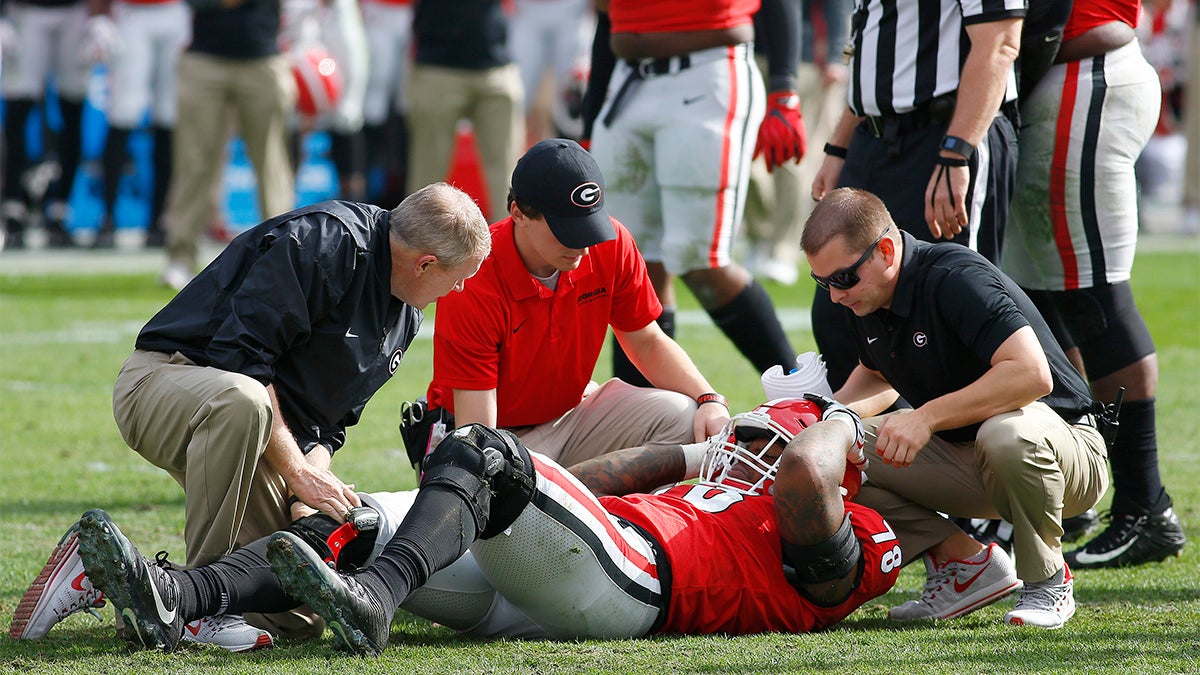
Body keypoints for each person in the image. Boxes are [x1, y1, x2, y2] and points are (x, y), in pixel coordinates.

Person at [53, 396, 895, 653]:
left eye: (764, 441)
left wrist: (844, 421)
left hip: (639, 589)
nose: (748, 452)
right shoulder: (724, 482)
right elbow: (591, 484)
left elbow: (805, 475)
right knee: (350, 520)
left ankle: (373, 600)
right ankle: (173, 596)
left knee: (486, 452)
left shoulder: (850, 521)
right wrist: (688, 453)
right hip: (563, 566)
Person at [107, 183, 491, 641]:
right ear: (425, 263)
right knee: (243, 400)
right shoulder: (325, 242)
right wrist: (295, 472)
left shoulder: (404, 314)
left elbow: (328, 425)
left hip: (250, 427)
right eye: (459, 276)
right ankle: (194, 609)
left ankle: (113, 580)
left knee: (297, 614)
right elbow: (240, 359)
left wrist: (308, 496)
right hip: (165, 381)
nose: (461, 288)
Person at [802, 188, 1111, 629]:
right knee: (825, 452)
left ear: (885, 251)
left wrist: (926, 417)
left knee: (1004, 434)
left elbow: (1031, 374)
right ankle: (966, 566)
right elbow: (876, 375)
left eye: (842, 279)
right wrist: (816, 416)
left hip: (1064, 453)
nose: (834, 296)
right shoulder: (867, 292)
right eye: (823, 282)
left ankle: (1048, 582)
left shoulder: (953, 275)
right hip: (970, 455)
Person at [1001, 0, 1187, 568]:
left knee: (1093, 294)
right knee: (1040, 296)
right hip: (1061, 75)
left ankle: (1144, 506)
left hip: (1084, 70)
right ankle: (1075, 486)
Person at [422, 138, 730, 467]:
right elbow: (479, 429)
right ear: (519, 214)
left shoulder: (610, 243)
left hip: (571, 417)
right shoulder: (476, 274)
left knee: (684, 417)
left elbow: (646, 341)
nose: (583, 248)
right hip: (490, 436)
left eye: (588, 226)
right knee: (497, 484)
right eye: (567, 230)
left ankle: (604, 508)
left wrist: (709, 398)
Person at [807, 0, 1024, 392]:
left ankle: (955, 444)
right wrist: (839, 146)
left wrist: (956, 152)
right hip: (872, 136)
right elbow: (872, 46)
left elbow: (1000, 42)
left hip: (944, 134)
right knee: (838, 314)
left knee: (949, 315)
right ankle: (868, 444)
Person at [586, 0, 805, 385]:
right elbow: (607, 16)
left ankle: (801, 389)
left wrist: (784, 90)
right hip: (627, 80)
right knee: (631, 265)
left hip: (708, 73)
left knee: (700, 260)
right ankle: (648, 416)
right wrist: (589, 116)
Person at [159, 0, 297, 290]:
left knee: (270, 162)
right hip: (205, 57)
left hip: (262, 56)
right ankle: (181, 255)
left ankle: (282, 256)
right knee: (194, 161)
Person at [405, 0, 523, 222]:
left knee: (508, 178)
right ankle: (414, 250)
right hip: (437, 64)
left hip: (495, 63)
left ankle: (512, 250)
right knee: (426, 177)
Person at [91, 0, 191, 249]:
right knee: (123, 112)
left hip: (175, 11)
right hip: (131, 12)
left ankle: (159, 220)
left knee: (169, 118)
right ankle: (108, 217)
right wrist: (97, 13)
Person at [0, 0, 98, 249]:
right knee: (18, 108)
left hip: (75, 11)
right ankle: (13, 208)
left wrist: (101, 14)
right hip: (26, 10)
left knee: (73, 108)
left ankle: (60, 209)